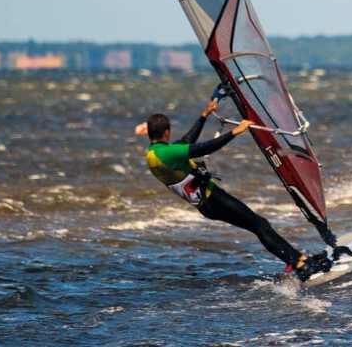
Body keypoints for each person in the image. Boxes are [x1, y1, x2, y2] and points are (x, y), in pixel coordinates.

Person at [135, 92, 332, 281]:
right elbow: (204, 147)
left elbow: (187, 141)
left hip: (207, 204)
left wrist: (204, 116)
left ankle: (297, 261)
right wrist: (235, 132)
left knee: (258, 225)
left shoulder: (155, 154)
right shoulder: (166, 154)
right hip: (213, 199)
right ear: (167, 132)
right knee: (260, 224)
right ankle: (300, 265)